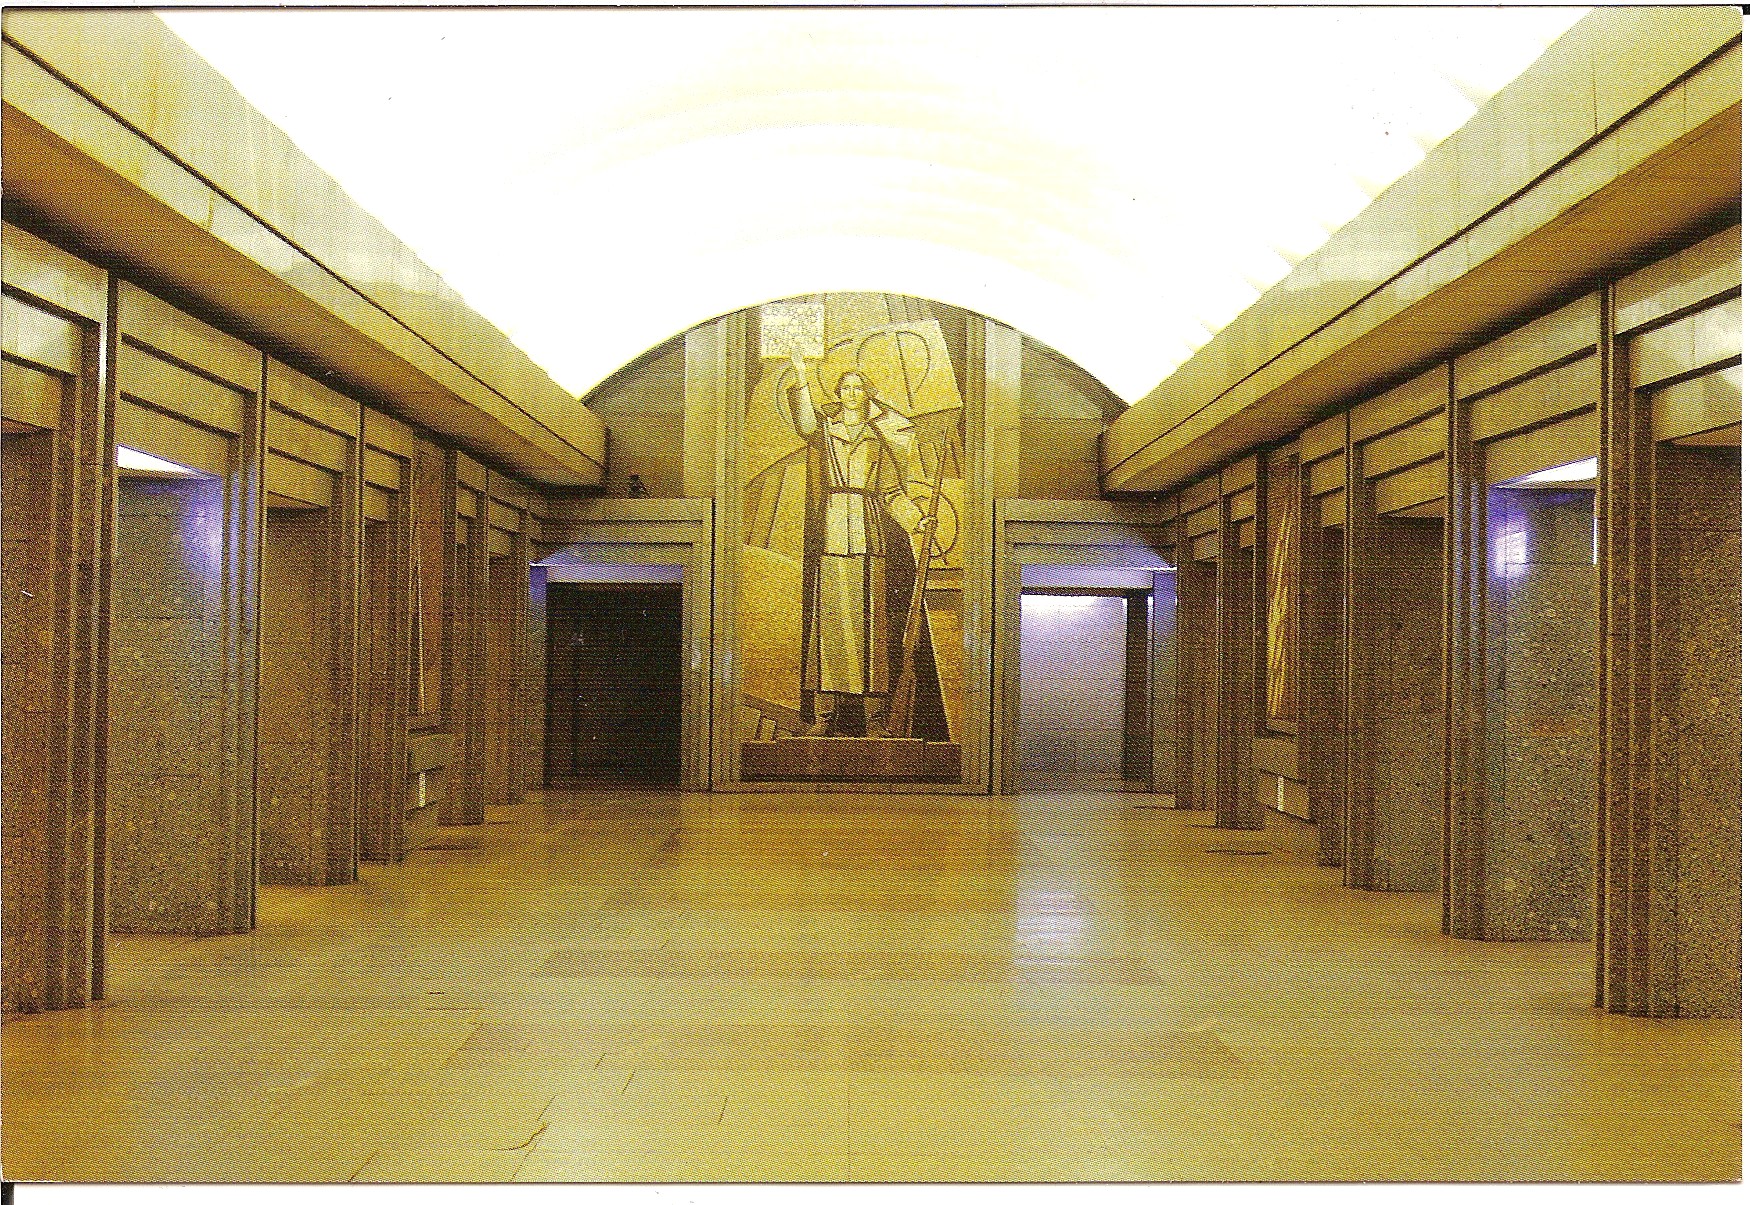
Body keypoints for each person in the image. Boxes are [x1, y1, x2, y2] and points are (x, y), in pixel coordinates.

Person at [786, 357, 942, 738]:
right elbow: (804, 422)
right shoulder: (825, 431)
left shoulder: (877, 439)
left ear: (867, 395)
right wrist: (802, 375)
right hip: (832, 535)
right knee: (829, 627)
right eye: (846, 388)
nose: (852, 393)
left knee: (871, 629)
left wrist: (916, 520)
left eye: (858, 388)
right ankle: (824, 716)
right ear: (838, 394)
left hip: (869, 538)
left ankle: (874, 719)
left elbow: (890, 492)